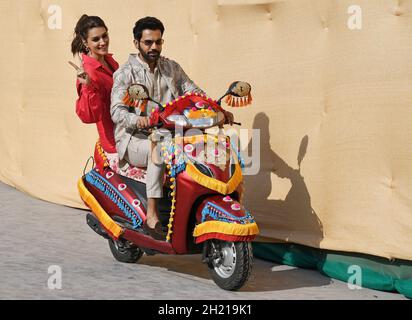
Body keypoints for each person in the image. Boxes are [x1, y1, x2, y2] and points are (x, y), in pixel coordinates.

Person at [111, 17, 234, 240]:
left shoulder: (171, 68)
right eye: (148, 42)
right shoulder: (125, 74)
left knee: (206, 145)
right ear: (136, 42)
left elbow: (196, 95)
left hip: (174, 134)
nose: (154, 47)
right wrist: (137, 120)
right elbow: (116, 112)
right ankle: (151, 216)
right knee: (161, 147)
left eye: (158, 42)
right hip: (135, 139)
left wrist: (218, 111)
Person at [70, 14, 119, 156]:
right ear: (85, 42)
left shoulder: (109, 60)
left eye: (105, 36)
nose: (103, 42)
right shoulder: (88, 72)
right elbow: (89, 117)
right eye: (96, 39)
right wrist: (88, 86)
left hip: (128, 127)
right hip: (114, 138)